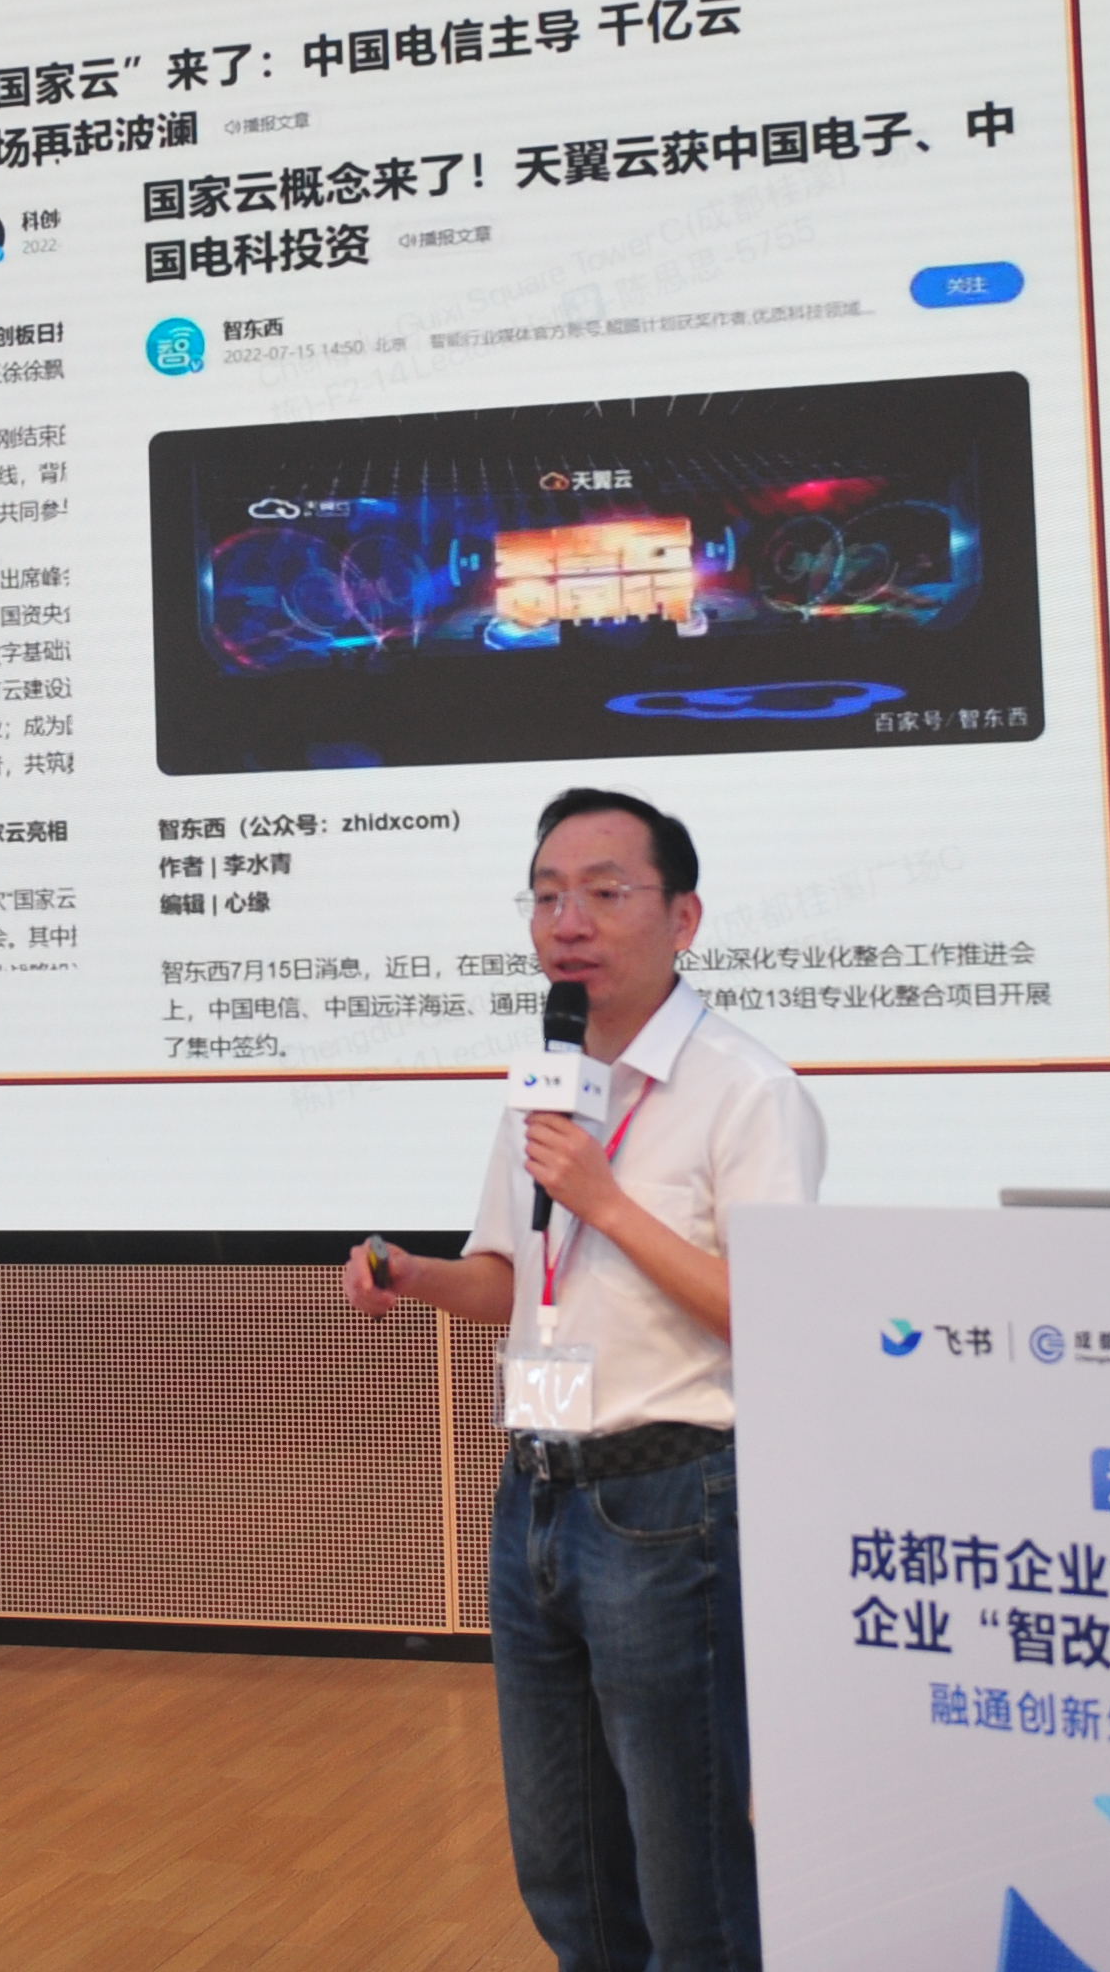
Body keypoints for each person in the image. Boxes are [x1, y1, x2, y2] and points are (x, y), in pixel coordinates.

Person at [344, 785, 825, 1972]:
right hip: (535, 1499)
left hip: (669, 1504)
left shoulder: (746, 1090)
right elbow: (508, 1281)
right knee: (567, 1869)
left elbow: (777, 1315)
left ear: (682, 917)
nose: (569, 921)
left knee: (686, 1871)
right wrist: (410, 1273)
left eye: (605, 893)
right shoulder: (544, 1086)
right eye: (548, 895)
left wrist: (604, 1201)